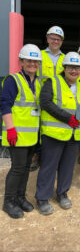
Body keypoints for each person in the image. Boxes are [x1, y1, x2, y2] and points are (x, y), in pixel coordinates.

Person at [35, 52, 80, 215]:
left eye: (77, 68)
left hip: (74, 135)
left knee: (67, 166)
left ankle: (62, 193)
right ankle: (42, 198)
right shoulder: (53, 82)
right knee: (49, 166)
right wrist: (67, 118)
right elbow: (45, 102)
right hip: (54, 134)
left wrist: (78, 123)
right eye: (71, 67)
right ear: (64, 68)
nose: (74, 71)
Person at [1, 44, 42, 218]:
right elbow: (4, 105)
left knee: (25, 168)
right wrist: (10, 129)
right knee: (17, 168)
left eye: (35, 61)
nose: (32, 64)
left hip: (31, 136)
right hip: (16, 135)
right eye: (29, 60)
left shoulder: (38, 83)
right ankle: (8, 202)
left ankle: (20, 197)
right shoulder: (13, 80)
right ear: (22, 61)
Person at [30, 26, 65, 172]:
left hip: (58, 99)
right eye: (52, 38)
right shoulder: (39, 55)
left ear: (62, 42)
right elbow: (32, 74)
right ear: (47, 38)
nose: (55, 41)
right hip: (39, 97)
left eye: (58, 39)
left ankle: (51, 157)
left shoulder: (65, 58)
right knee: (38, 127)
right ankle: (36, 155)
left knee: (53, 127)